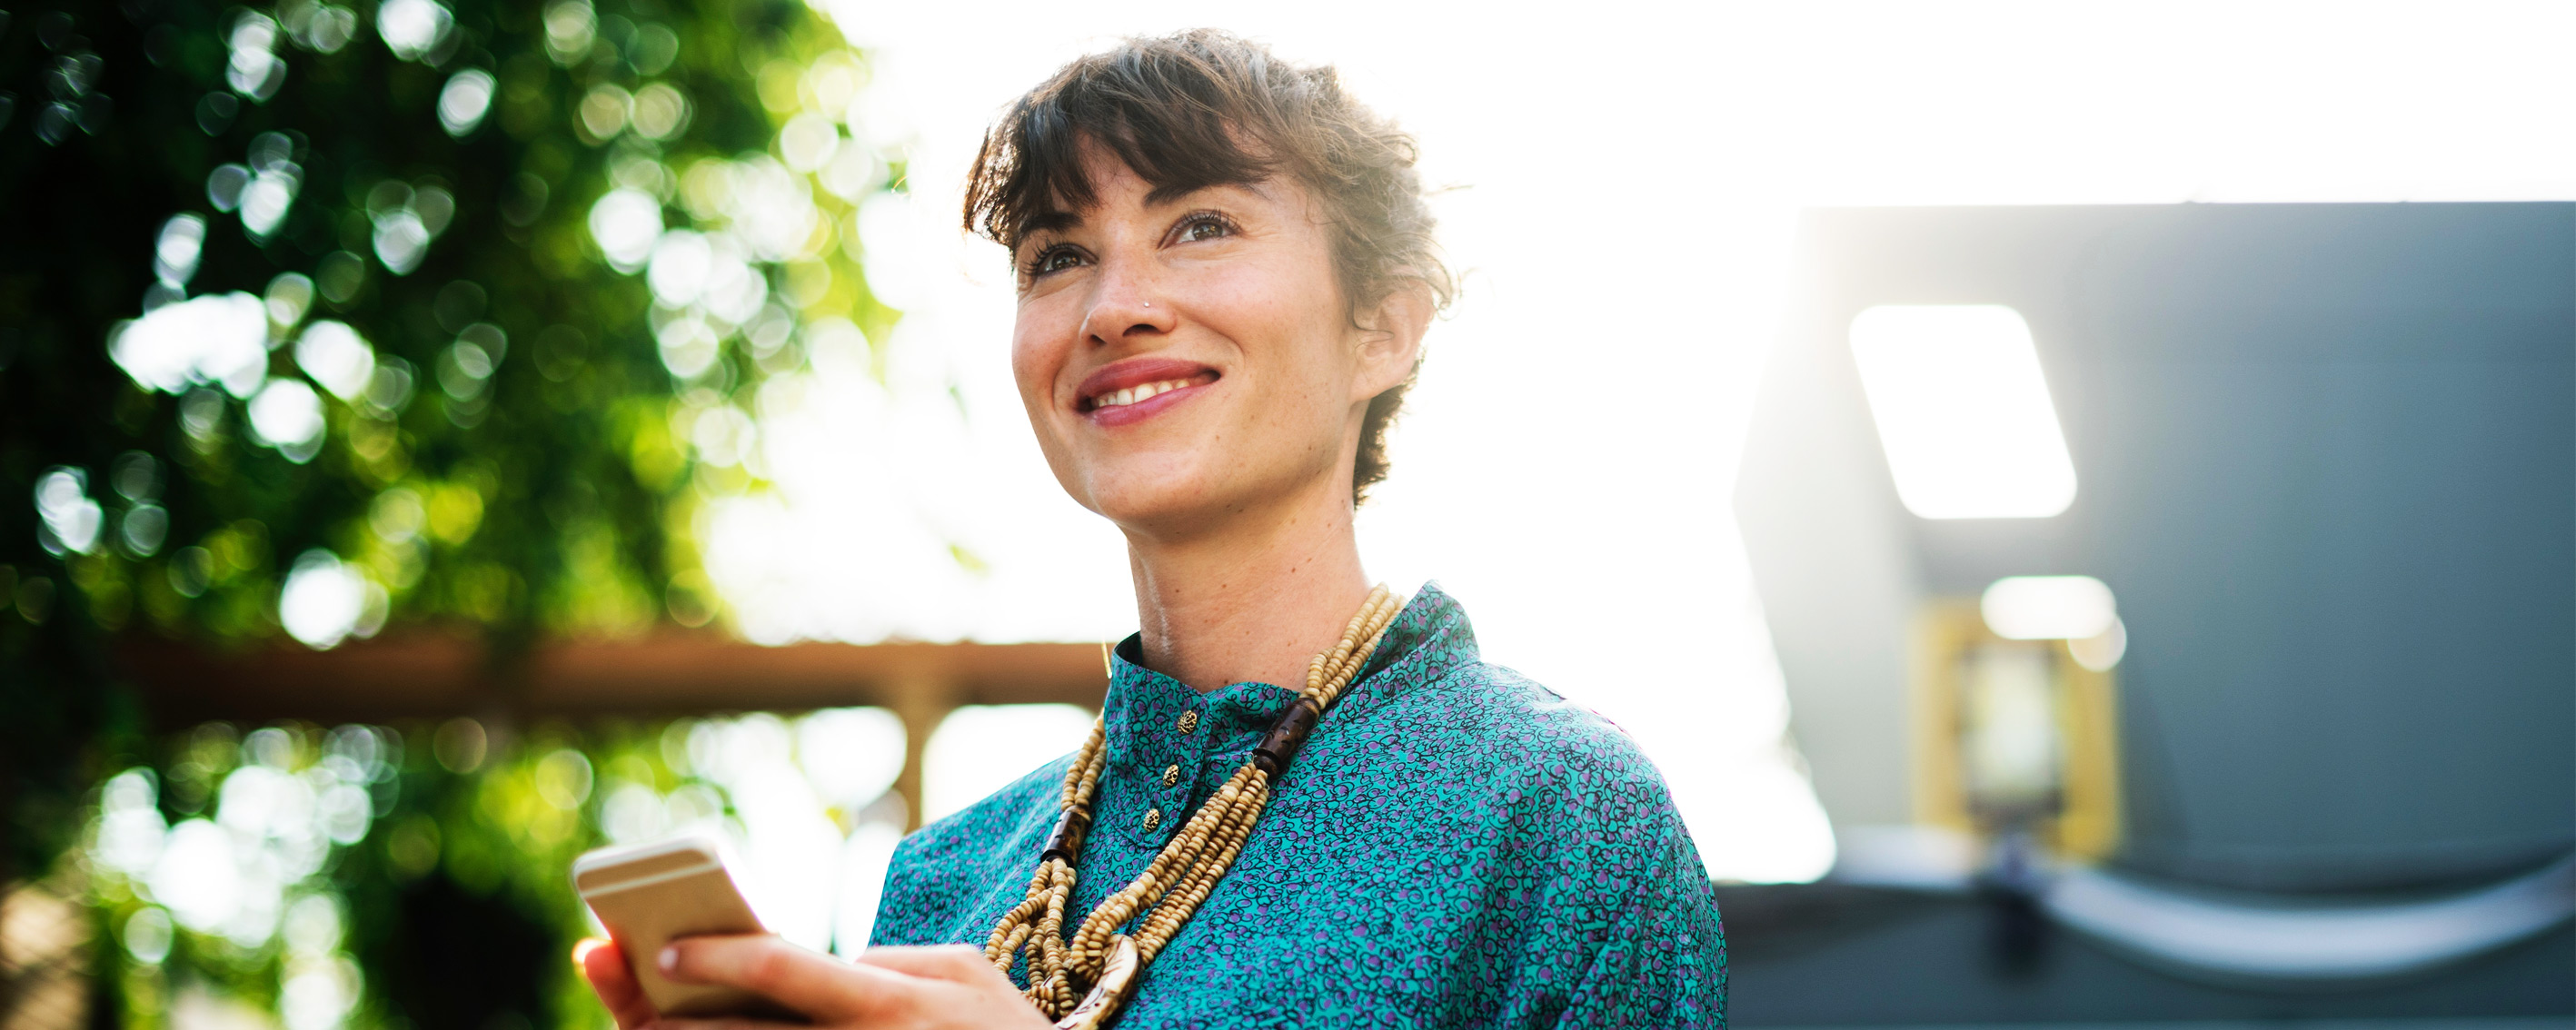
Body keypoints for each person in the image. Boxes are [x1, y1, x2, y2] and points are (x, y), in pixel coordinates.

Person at [578, 29, 1726, 1028]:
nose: (1114, 305)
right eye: (1058, 257)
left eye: (1201, 226)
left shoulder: (1559, 818)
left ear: (1381, 327)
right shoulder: (946, 879)